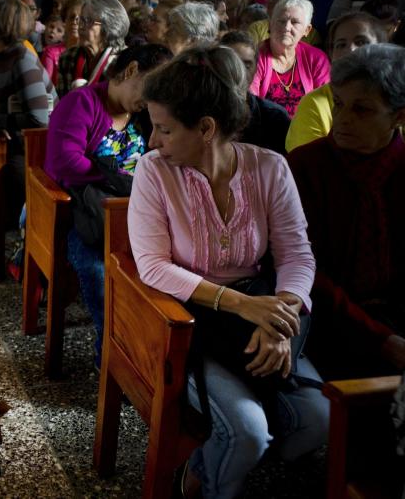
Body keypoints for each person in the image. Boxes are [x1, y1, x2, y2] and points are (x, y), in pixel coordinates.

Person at [129, 45, 328, 499]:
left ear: (206, 129)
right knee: (247, 431)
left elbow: (297, 256)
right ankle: (208, 473)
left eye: (164, 129)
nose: (153, 141)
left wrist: (279, 321)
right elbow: (153, 266)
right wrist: (244, 305)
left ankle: (227, 462)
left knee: (319, 421)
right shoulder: (154, 172)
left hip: (260, 310)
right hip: (190, 318)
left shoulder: (269, 168)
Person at [44, 44, 171, 367]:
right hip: (88, 219)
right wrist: (121, 181)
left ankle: (148, 356)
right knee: (99, 272)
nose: (152, 99)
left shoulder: (145, 115)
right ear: (131, 71)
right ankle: (113, 358)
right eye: (151, 87)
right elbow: (63, 162)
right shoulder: (82, 103)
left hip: (140, 216)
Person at [288, 44, 405, 382]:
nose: (341, 119)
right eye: (338, 104)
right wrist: (381, 340)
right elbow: (305, 271)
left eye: (362, 109)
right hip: (324, 324)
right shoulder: (305, 167)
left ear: (398, 116)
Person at [0, 0, 55, 233]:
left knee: (14, 175)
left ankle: (23, 233)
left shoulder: (22, 60)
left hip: (37, 146)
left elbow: (39, 120)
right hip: (10, 138)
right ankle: (0, 219)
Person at [286, 12, 386, 152]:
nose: (350, 50)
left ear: (382, 49)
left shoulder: (395, 99)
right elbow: (308, 161)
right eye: (341, 45)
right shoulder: (315, 104)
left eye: (361, 42)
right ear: (331, 55)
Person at [250, 0, 330, 118]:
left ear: (307, 30)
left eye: (295, 22)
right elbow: (251, 104)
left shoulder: (317, 59)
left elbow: (324, 105)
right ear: (270, 25)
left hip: (306, 126)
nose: (287, 27)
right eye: (281, 21)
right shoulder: (255, 56)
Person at [220, 30, 292, 154]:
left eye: (247, 65)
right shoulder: (201, 112)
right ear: (217, 66)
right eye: (233, 63)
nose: (240, 72)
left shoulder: (274, 118)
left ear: (255, 69)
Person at [54, 0, 128, 97]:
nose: (80, 26)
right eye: (81, 20)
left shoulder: (124, 62)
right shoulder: (68, 57)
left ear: (109, 26)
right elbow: (62, 101)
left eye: (88, 21)